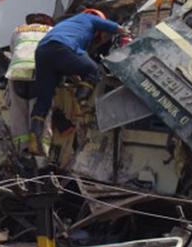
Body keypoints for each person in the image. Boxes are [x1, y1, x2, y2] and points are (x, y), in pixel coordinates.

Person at [30, 9, 126, 149]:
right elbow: (112, 26)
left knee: (44, 99)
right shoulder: (89, 18)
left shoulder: (66, 25)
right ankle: (81, 100)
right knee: (93, 70)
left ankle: (34, 136)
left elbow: (69, 65)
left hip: (42, 52)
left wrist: (78, 80)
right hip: (62, 46)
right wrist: (126, 32)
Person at [4, 13, 54, 151]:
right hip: (37, 70)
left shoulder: (18, 30)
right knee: (39, 109)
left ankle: (22, 147)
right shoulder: (51, 30)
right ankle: (41, 149)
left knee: (18, 111)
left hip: (16, 71)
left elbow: (13, 50)